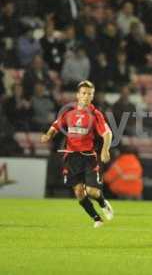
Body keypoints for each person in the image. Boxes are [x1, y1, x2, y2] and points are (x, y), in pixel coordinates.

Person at [40, 80, 114, 228]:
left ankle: (103, 203)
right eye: (84, 93)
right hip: (71, 156)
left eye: (90, 94)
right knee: (79, 192)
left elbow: (107, 133)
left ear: (93, 96)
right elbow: (56, 125)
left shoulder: (96, 114)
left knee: (92, 191)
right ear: (78, 95)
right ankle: (96, 218)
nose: (86, 96)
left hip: (88, 157)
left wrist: (105, 150)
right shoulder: (68, 111)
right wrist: (49, 135)